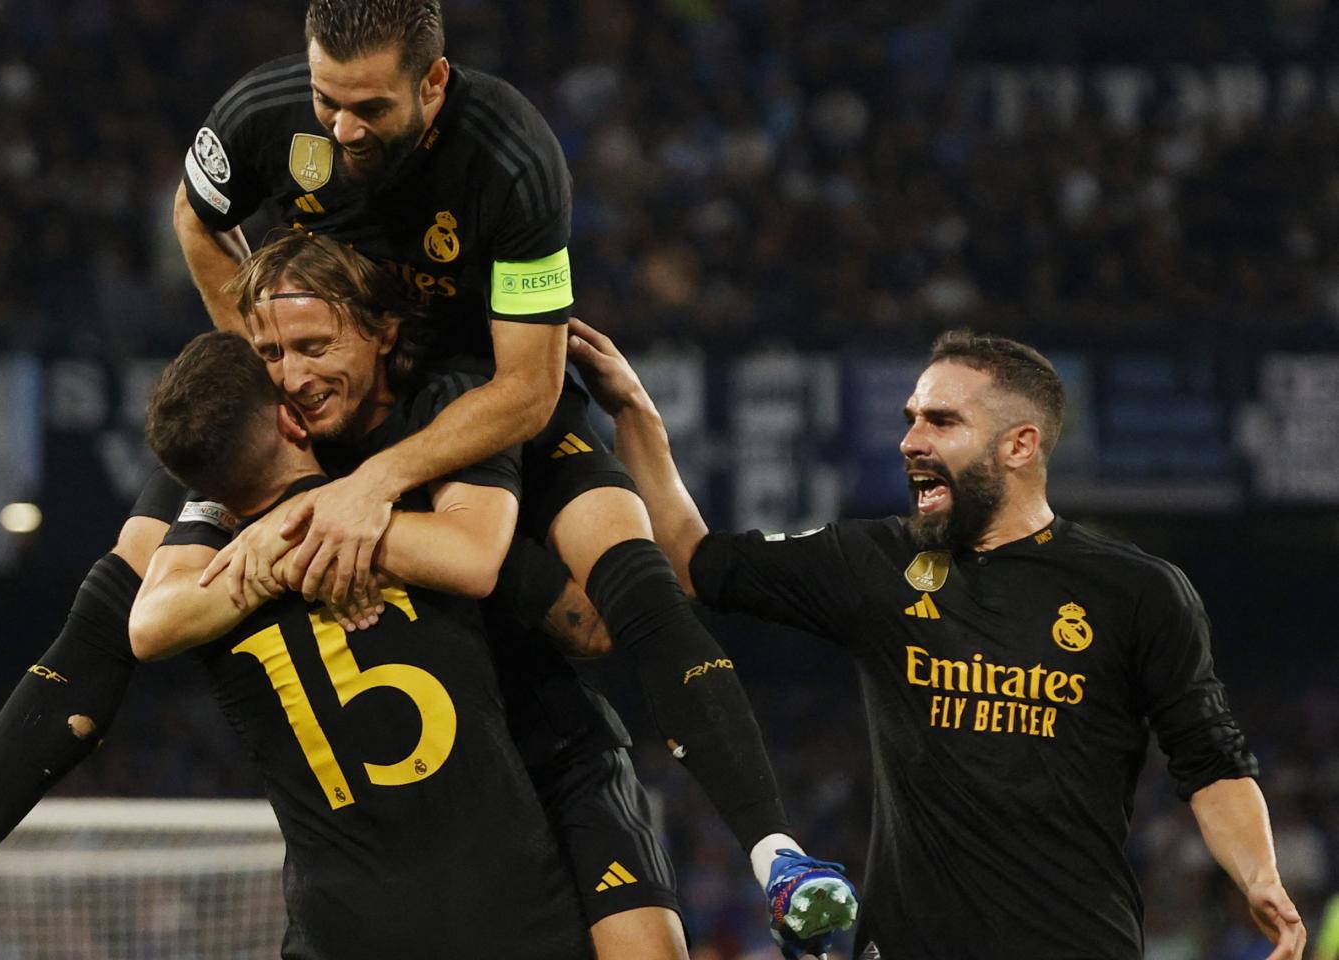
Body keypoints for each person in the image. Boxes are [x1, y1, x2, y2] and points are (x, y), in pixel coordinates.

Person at [177, 0, 824, 932]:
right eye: (328, 101)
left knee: (630, 589)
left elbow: (527, 387)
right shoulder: (261, 117)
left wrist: (372, 483)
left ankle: (777, 855)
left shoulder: (512, 158)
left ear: (433, 82)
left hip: (477, 393)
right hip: (343, 390)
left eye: (369, 107)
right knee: (136, 557)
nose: (342, 129)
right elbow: (195, 217)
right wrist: (269, 368)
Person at [161, 230, 855, 955]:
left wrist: (325, 531)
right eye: (270, 354)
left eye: (313, 347)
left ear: (381, 331)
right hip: (433, 813)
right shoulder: (271, 448)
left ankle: (775, 853)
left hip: (557, 754)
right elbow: (149, 622)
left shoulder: (457, 410)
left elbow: (563, 612)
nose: (292, 376)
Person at [565, 319, 1309, 960]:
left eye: (941, 422)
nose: (909, 441)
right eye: (911, 417)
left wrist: (1259, 877)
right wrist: (635, 414)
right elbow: (694, 561)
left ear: (1020, 445)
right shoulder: (875, 562)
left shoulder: (1137, 591)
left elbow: (1211, 760)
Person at [136, 330, 595, 958]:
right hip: (508, 914)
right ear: (292, 425)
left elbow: (146, 626)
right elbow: (574, 615)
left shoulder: (209, 585)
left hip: (339, 931)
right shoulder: (404, 510)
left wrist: (275, 547)